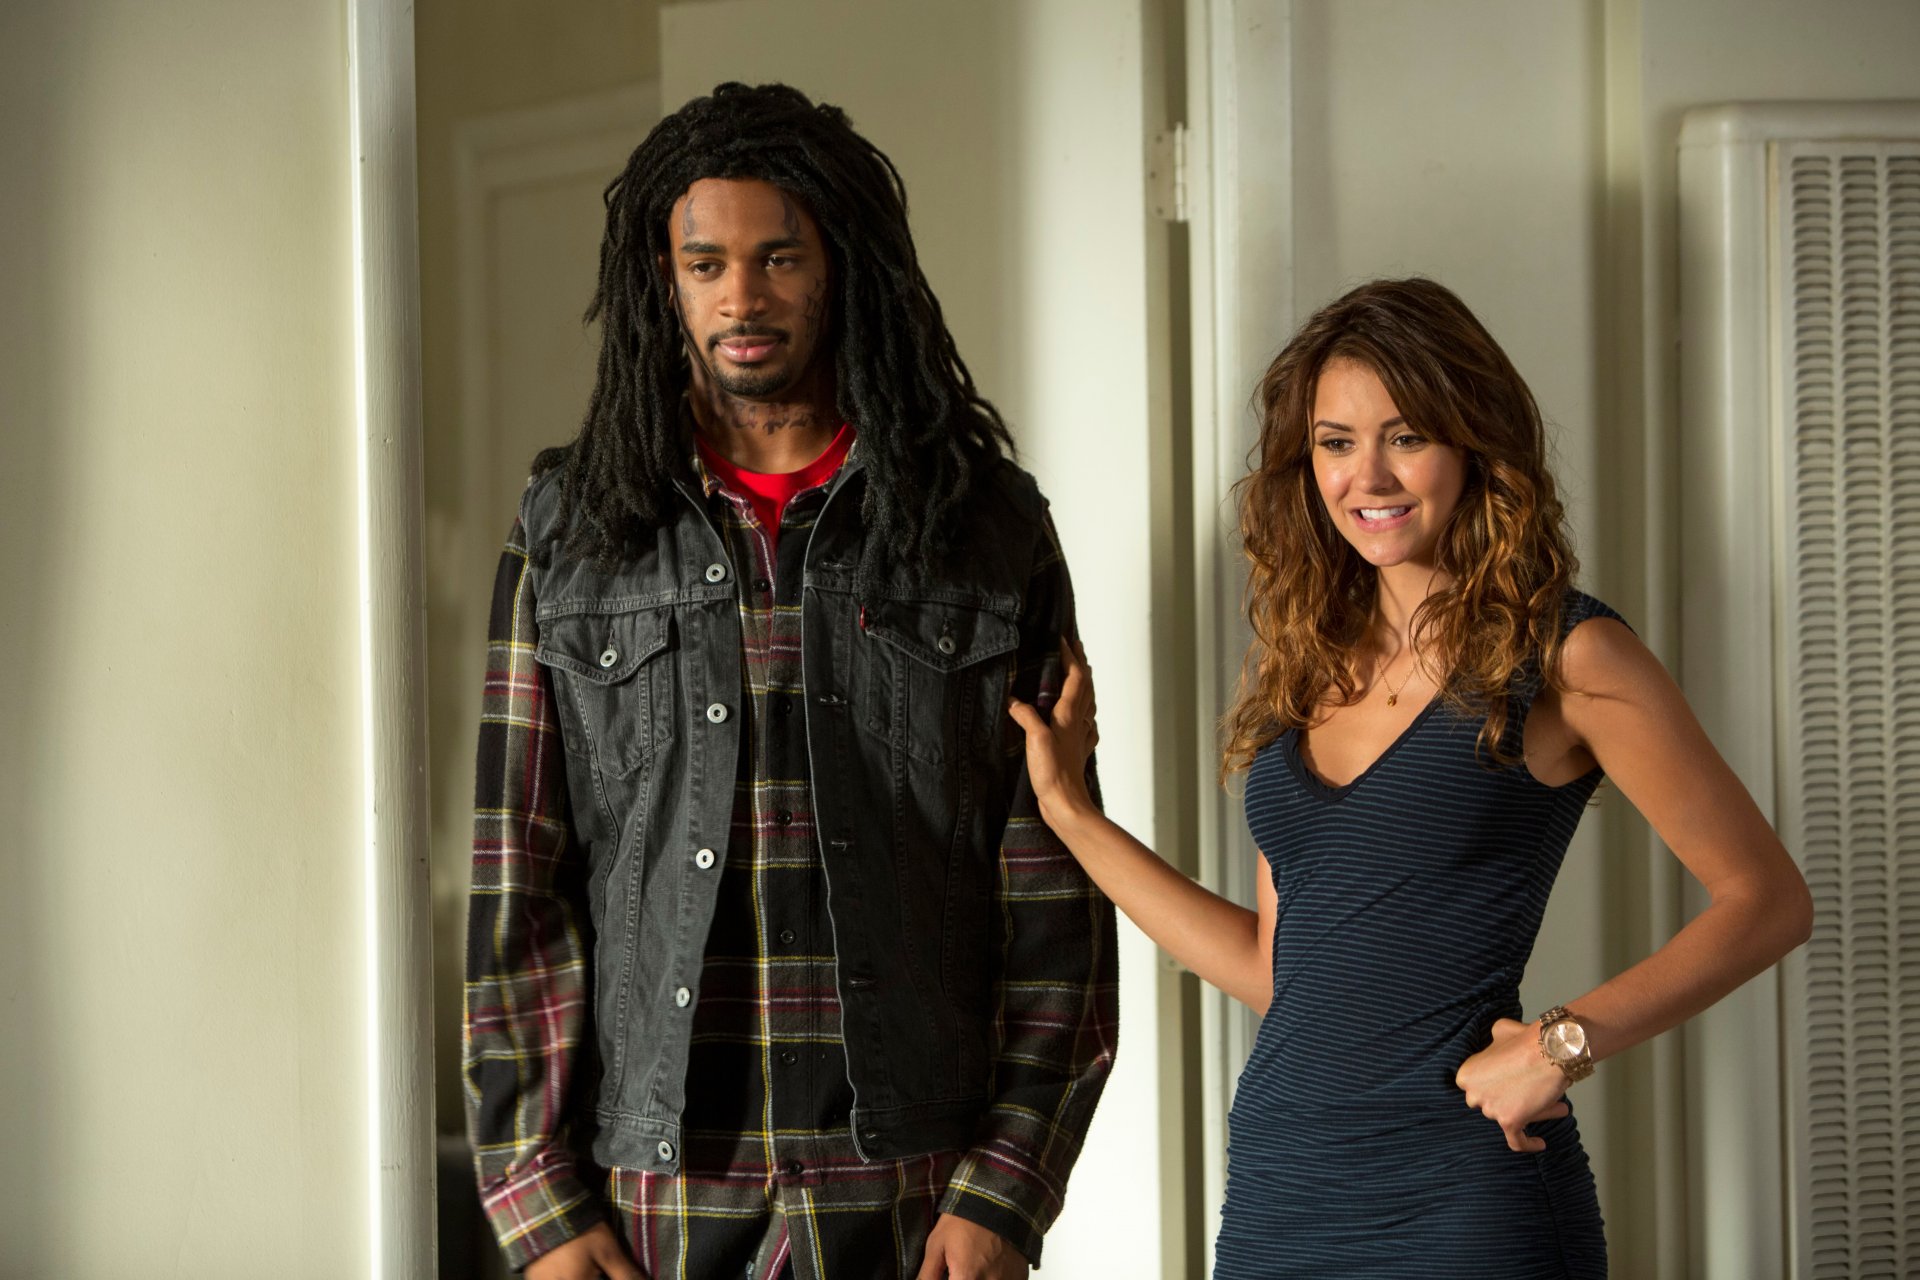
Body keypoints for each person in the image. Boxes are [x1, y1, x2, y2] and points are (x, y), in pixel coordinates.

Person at [1010, 278, 1813, 1277]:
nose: (1369, 476)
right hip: (1278, 1196)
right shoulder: (1304, 665)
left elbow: (1768, 899)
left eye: (1407, 436)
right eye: (1336, 442)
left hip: (1464, 1202)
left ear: (1473, 444)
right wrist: (1072, 813)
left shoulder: (1567, 654)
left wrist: (1562, 1043)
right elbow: (1276, 969)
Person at [463, 82, 1116, 1280]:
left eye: (778, 257)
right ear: (663, 281)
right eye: (705, 263)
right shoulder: (569, 532)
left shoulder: (984, 529)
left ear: (840, 264)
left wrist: (1010, 1181)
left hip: (912, 1188)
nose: (741, 298)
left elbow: (1052, 887)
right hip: (655, 1194)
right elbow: (520, 880)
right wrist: (535, 1197)